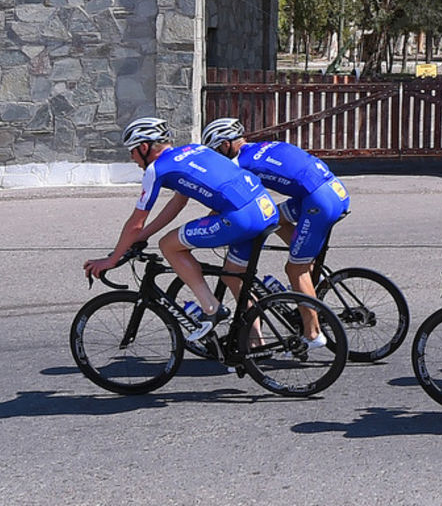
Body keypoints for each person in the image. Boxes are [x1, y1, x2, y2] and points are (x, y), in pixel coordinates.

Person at [83, 117, 279, 342]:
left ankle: (211, 308)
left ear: (144, 147)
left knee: (168, 245)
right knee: (234, 276)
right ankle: (254, 344)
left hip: (240, 218)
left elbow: (135, 222)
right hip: (265, 209)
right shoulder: (194, 149)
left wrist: (112, 259)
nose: (131, 157)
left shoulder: (156, 169)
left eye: (132, 151)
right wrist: (142, 238)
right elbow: (177, 204)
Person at [202, 118, 350, 348]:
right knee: (275, 216)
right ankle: (311, 269)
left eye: (216, 151)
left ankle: (312, 335)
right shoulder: (263, 146)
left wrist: (210, 226)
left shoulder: (240, 164)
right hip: (334, 190)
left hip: (318, 202)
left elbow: (234, 202)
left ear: (224, 145)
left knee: (294, 269)